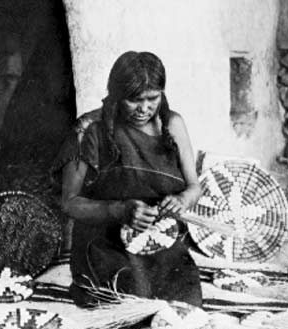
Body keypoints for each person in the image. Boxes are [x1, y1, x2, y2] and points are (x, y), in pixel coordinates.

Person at [52, 51, 203, 307]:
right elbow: (69, 202)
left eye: (153, 98)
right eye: (134, 100)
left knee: (185, 300)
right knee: (133, 295)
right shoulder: (89, 129)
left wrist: (182, 199)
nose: (144, 108)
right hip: (103, 237)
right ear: (116, 95)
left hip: (157, 236)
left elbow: (194, 187)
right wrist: (120, 210)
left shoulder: (172, 124)